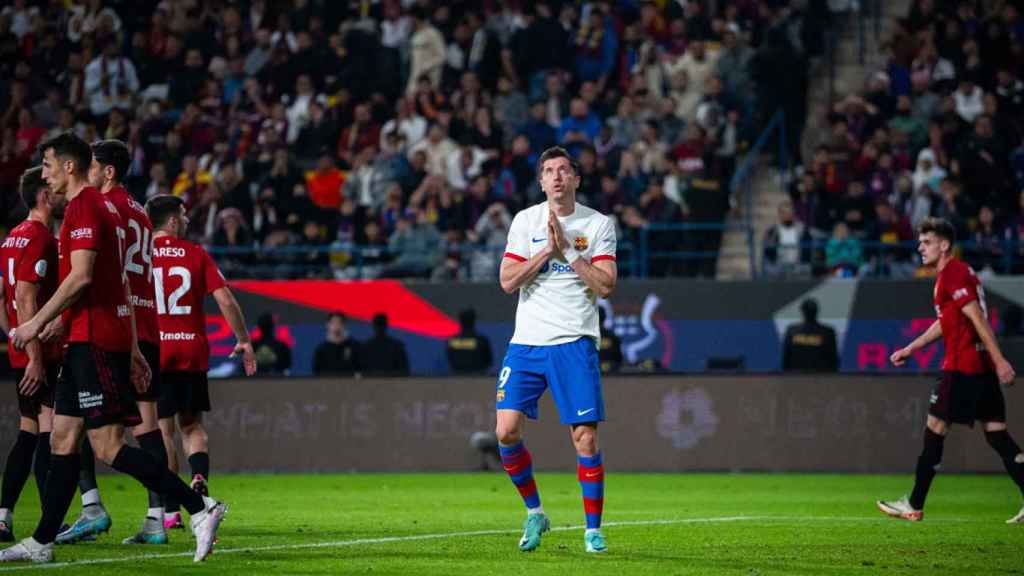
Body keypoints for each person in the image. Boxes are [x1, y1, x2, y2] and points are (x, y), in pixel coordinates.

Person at [1, 132, 224, 564]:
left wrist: (35, 322)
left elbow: (83, 277)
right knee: (63, 439)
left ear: (69, 166)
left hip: (96, 342)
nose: (44, 175)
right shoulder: (108, 208)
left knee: (107, 446)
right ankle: (43, 541)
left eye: (47, 165)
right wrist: (131, 348)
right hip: (91, 336)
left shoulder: (86, 207)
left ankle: (200, 507)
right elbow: (118, 278)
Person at [496, 146, 617, 553]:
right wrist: (546, 251)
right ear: (541, 181)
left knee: (584, 439)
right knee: (506, 431)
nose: (557, 177)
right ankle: (535, 512)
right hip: (526, 343)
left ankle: (592, 530)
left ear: (576, 179)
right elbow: (508, 281)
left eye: (564, 170)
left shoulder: (597, 224)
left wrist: (568, 252)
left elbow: (605, 285)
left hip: (573, 342)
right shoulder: (525, 221)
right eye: (549, 171)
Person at [56, 139, 169, 545]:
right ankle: (157, 518)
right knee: (148, 426)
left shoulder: (104, 207)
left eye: (94, 166)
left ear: (108, 172)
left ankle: (92, 507)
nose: (85, 172)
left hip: (117, 326)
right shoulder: (139, 210)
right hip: (146, 323)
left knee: (84, 423)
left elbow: (107, 273)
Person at [878, 217, 1023, 523]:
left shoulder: (952, 274)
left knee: (935, 429)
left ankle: (914, 503)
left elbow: (976, 318)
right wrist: (911, 348)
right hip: (979, 367)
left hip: (962, 367)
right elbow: (948, 322)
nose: (920, 247)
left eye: (927, 242)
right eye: (920, 242)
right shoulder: (956, 274)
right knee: (997, 434)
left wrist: (1000, 360)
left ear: (944, 245)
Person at [145, 194, 257, 530]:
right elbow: (225, 298)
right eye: (184, 215)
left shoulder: (140, 256)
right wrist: (243, 340)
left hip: (157, 349)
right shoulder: (196, 254)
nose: (188, 221)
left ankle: (171, 510)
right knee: (192, 427)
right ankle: (198, 477)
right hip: (192, 350)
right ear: (173, 221)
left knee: (163, 431)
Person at [0, 167, 62, 542]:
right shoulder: (40, 237)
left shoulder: (11, 239)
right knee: (49, 436)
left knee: (28, 433)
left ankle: (4, 515)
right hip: (41, 354)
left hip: (20, 349)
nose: (59, 193)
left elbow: (3, 298)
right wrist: (36, 355)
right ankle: (47, 525)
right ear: (42, 195)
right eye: (53, 188)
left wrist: (15, 336)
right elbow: (24, 297)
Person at [781, 299, 839, 372]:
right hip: (821, 377)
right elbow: (834, 361)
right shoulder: (828, 332)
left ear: (802, 311)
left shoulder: (792, 331)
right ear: (817, 311)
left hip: (797, 377)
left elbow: (786, 360)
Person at [312, 312, 362, 377]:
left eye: (339, 323)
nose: (336, 325)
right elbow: (316, 373)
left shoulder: (355, 346)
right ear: (327, 325)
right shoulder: (321, 350)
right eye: (333, 323)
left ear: (344, 325)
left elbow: (360, 370)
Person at [446, 309, 493, 375]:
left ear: (460, 321)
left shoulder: (452, 341)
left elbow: (450, 359)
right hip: (479, 377)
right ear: (473, 321)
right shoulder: (481, 341)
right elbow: (488, 361)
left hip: (457, 377)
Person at [597, 307, 622, 374]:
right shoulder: (613, 337)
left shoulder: (585, 338)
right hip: (612, 375)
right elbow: (618, 361)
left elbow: (618, 361)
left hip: (608, 375)